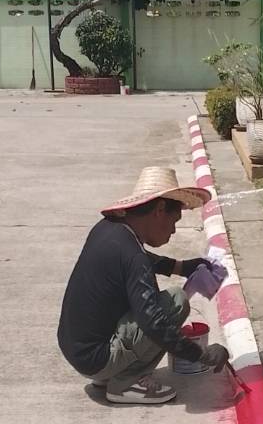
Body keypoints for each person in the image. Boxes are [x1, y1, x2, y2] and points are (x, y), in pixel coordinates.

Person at [57, 165, 231, 405]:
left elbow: (137, 260)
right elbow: (153, 323)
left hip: (77, 351)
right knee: (176, 301)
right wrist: (201, 354)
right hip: (98, 359)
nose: (173, 230)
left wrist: (182, 267)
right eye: (174, 221)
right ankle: (126, 382)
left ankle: (111, 375)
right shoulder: (134, 257)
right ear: (159, 210)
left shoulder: (108, 230)